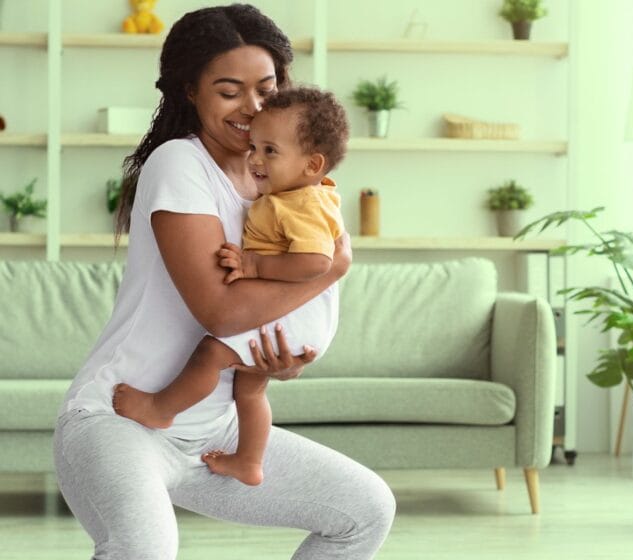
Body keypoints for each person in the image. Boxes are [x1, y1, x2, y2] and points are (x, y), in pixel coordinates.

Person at [53, 5, 395, 559]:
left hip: (214, 431)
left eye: (267, 87)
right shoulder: (179, 164)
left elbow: (272, 310)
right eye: (229, 90)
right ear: (191, 91)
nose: (253, 107)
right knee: (146, 549)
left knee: (365, 510)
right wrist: (331, 268)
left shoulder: (277, 180)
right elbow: (222, 312)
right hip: (119, 420)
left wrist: (286, 359)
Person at [111, 86, 349, 488]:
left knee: (211, 353)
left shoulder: (303, 203)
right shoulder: (296, 195)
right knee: (251, 391)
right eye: (255, 146)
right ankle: (249, 461)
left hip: (295, 312)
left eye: (269, 151)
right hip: (299, 315)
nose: (254, 159)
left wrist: (254, 263)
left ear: (313, 165)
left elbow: (318, 263)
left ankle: (159, 408)